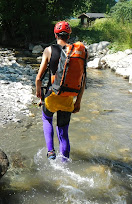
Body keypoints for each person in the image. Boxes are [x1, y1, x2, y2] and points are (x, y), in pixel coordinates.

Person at [35, 21, 86, 161]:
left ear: (55, 34)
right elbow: (82, 81)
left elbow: (39, 78)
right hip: (68, 97)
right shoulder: (76, 53)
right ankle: (64, 161)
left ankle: (51, 152)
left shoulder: (48, 50)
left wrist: (39, 93)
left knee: (46, 118)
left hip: (52, 95)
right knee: (63, 131)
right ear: (69, 36)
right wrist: (78, 102)